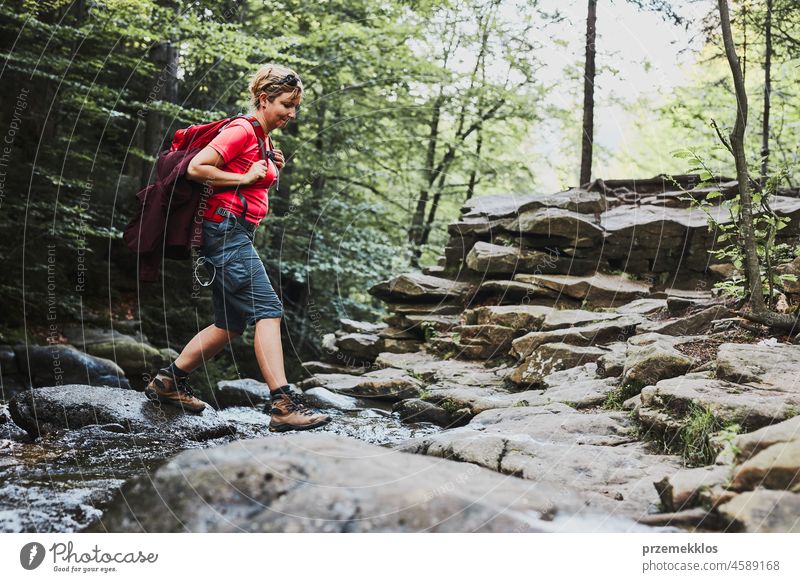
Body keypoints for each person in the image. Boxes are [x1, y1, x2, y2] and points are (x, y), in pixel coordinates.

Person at [144, 64, 331, 433]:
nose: (292, 114)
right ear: (263, 99)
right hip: (225, 232)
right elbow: (198, 167)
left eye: (295, 107)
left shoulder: (262, 137)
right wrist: (245, 175)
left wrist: (267, 167)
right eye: (286, 105)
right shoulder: (242, 130)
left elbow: (249, 180)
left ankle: (167, 383)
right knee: (269, 309)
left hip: (235, 231)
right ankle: (282, 405)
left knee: (229, 324)